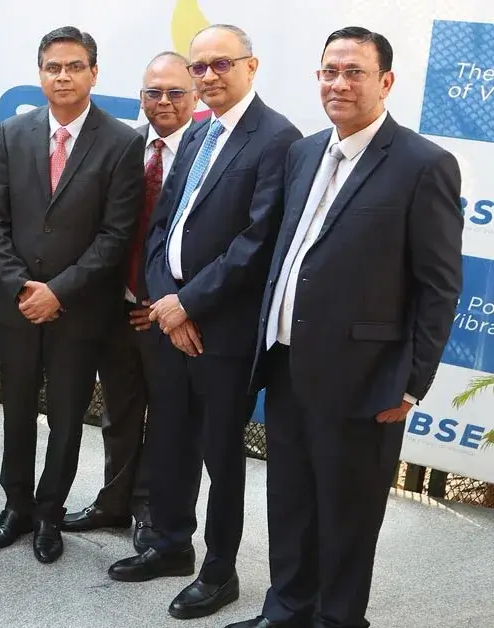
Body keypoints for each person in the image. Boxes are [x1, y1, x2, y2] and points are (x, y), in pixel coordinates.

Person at [227, 26, 463, 628]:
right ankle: (285, 611)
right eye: (329, 70)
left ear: (385, 81)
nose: (338, 83)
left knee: (348, 516)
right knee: (291, 504)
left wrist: (410, 383)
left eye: (354, 72)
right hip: (286, 366)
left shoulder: (423, 164)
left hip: (365, 381)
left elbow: (438, 286)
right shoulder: (303, 151)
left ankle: (337, 620)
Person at [108, 24, 302, 621]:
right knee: (168, 440)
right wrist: (168, 306)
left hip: (224, 334)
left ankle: (220, 572)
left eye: (222, 64)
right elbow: (165, 223)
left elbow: (257, 242)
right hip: (174, 325)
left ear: (252, 65)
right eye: (200, 67)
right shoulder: (197, 132)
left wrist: (190, 305)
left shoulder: (278, 139)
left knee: (221, 456)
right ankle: (170, 544)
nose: (209, 76)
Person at [0, 26, 144, 564]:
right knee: (17, 411)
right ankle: (16, 508)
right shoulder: (14, 133)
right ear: (40, 73)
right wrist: (22, 284)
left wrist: (59, 291)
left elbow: (116, 236)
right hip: (18, 304)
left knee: (67, 417)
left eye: (74, 66)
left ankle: (50, 513)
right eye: (53, 67)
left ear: (94, 73)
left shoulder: (122, 141)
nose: (63, 76)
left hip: (79, 310)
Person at [60, 51, 198, 554]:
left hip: (170, 315)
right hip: (115, 307)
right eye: (152, 93)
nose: (162, 102)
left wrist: (165, 301)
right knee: (118, 411)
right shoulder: (124, 145)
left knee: (165, 418)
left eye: (175, 92)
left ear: (195, 95)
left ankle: (148, 510)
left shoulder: (204, 154)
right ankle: (114, 502)